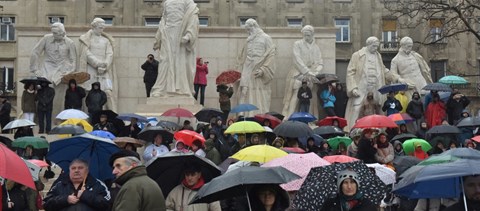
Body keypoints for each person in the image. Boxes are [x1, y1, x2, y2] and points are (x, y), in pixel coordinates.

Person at [150, 0, 199, 98]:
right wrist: (158, 37)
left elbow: (193, 18)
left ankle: (181, 90)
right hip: (167, 34)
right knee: (164, 62)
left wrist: (189, 35)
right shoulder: (167, 2)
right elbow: (163, 20)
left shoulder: (188, 2)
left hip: (180, 34)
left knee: (180, 63)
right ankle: (160, 89)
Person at [345, 36, 389, 130]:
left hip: (376, 87)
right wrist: (353, 88)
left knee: (378, 109)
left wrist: (394, 77)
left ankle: (381, 131)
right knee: (357, 109)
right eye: (374, 46)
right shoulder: (357, 55)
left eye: (377, 46)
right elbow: (350, 72)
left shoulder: (378, 56)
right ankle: (351, 130)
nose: (376, 48)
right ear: (368, 45)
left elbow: (383, 70)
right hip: (362, 87)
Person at [282, 25, 323, 117]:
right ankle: (289, 116)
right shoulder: (297, 44)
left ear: (312, 34)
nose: (306, 37)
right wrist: (307, 71)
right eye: (304, 35)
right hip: (298, 73)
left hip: (311, 75)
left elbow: (320, 63)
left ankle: (309, 118)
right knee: (296, 93)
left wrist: (316, 72)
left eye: (308, 35)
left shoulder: (316, 47)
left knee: (310, 96)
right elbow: (297, 60)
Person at [237, 18, 276, 115]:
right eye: (247, 30)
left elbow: (271, 54)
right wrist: (238, 71)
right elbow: (242, 57)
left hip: (259, 69)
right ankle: (243, 114)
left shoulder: (266, 38)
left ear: (254, 26)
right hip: (247, 66)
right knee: (244, 90)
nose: (248, 32)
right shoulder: (248, 40)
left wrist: (263, 69)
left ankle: (258, 114)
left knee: (259, 93)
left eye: (249, 29)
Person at [79, 18, 117, 112]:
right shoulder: (86, 39)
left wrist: (105, 65)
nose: (102, 30)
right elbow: (86, 53)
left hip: (104, 70)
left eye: (103, 28)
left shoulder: (106, 41)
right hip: (91, 69)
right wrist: (97, 64)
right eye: (100, 27)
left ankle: (113, 116)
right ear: (94, 27)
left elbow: (110, 54)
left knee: (108, 92)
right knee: (89, 92)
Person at [43, 159, 111, 211]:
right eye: (73, 168)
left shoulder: (98, 184)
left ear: (87, 171)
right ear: (69, 170)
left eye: (80, 168)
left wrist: (86, 195)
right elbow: (46, 204)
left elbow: (108, 205)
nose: (76, 170)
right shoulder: (59, 185)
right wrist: (65, 199)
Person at [388, 37, 433, 101]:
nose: (410, 48)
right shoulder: (395, 60)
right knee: (411, 102)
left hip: (421, 82)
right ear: (403, 46)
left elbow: (424, 69)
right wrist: (400, 79)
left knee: (426, 100)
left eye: (411, 46)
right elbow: (392, 74)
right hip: (409, 85)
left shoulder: (415, 55)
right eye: (409, 46)